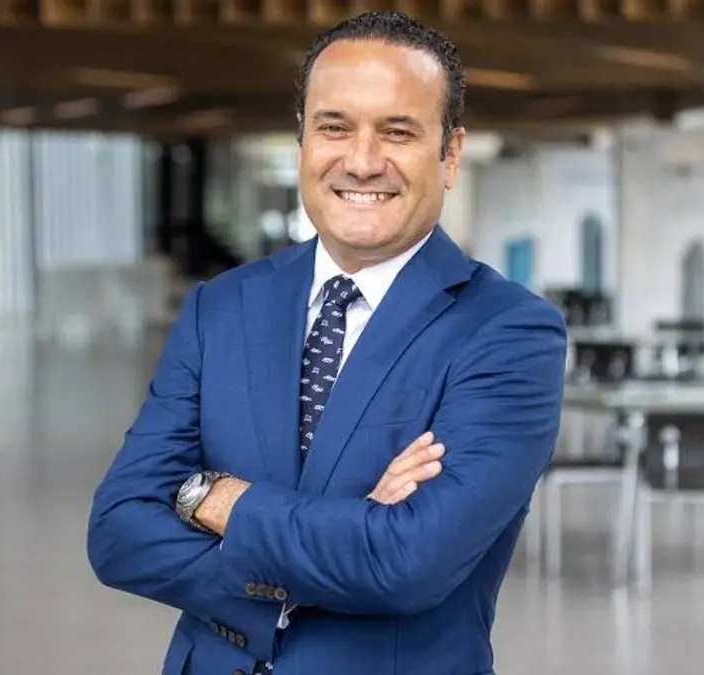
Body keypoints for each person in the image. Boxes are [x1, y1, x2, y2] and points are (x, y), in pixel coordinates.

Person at [88, 11, 567, 675]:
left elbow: (407, 562)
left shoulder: (508, 332)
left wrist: (212, 498)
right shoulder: (221, 307)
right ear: (303, 140)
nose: (362, 162)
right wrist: (351, 531)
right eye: (334, 127)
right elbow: (118, 531)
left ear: (450, 153)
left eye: (397, 131)